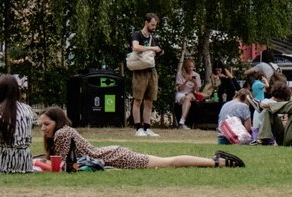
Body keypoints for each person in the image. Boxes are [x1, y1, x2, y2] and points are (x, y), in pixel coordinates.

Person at [38, 107, 244, 168]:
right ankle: (216, 162)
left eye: (47, 124)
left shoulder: (63, 133)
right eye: (41, 125)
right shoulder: (62, 133)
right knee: (167, 162)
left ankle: (217, 163)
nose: (43, 129)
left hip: (116, 157)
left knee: (168, 163)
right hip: (112, 154)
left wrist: (38, 163)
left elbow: (62, 166)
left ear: (58, 122)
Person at [130, 13, 163, 137]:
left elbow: (156, 52)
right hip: (140, 71)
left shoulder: (153, 38)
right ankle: (138, 128)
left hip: (151, 71)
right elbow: (135, 47)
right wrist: (152, 48)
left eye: (155, 25)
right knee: (138, 99)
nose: (154, 27)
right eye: (152, 24)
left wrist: (159, 51)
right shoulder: (137, 34)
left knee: (150, 100)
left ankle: (147, 127)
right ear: (146, 22)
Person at [257, 81, 292, 147]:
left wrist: (270, 105)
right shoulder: (270, 108)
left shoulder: (291, 106)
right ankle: (263, 139)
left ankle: (263, 139)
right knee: (268, 111)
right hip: (281, 138)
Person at [175, 57, 202, 129]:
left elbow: (197, 91)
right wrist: (186, 80)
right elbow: (180, 89)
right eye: (189, 67)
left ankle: (181, 122)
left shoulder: (196, 75)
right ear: (185, 67)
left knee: (189, 96)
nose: (190, 68)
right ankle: (182, 122)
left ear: (194, 67)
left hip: (192, 93)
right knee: (187, 100)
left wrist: (195, 83)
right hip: (181, 94)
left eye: (192, 67)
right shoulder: (180, 74)